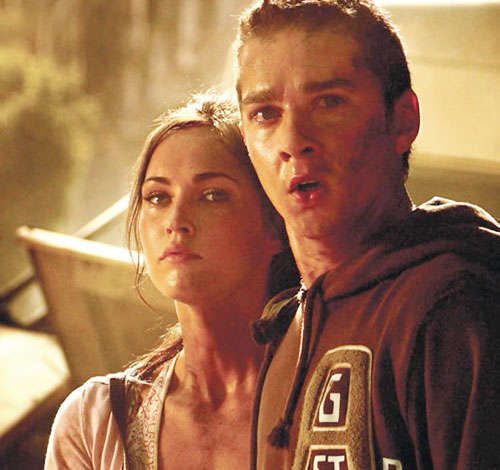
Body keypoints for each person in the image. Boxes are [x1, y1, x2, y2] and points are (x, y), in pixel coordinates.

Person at [235, 1, 500, 469]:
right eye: (265, 113)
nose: (292, 140)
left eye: (328, 102)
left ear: (402, 121)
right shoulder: (286, 329)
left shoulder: (455, 306)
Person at [44, 93, 299, 469]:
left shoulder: (331, 401)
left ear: (275, 225)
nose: (176, 221)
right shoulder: (95, 422)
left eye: (212, 195)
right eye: (158, 197)